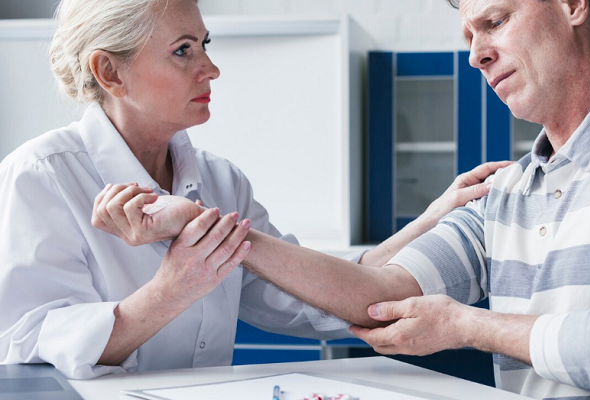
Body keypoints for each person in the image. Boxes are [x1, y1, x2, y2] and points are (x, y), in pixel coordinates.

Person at [97, 0, 590, 398]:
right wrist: (198, 223)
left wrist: (467, 325)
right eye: (469, 36)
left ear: (572, 4)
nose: (476, 55)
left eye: (495, 21)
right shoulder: (508, 192)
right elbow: (374, 294)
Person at [0, 0, 508, 380]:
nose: (211, 68)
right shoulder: (41, 177)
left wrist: (430, 221)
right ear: (110, 71)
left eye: (204, 45)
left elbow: (313, 297)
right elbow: (30, 351)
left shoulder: (222, 181)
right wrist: (172, 289)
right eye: (182, 51)